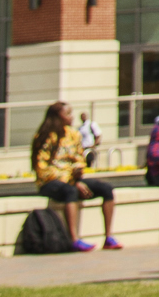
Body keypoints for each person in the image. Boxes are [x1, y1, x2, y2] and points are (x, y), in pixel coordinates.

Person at [29, 101, 118, 251]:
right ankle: (73, 239)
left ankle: (108, 237)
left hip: (72, 180)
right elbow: (43, 169)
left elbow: (78, 160)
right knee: (70, 191)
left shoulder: (73, 134)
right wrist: (72, 181)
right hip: (50, 182)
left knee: (106, 189)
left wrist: (77, 173)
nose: (72, 117)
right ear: (57, 117)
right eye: (67, 113)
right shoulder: (44, 137)